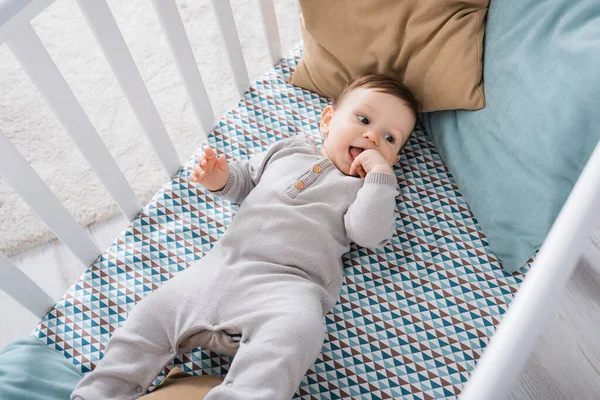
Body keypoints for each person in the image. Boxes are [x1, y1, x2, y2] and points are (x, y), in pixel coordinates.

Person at [71, 73, 420, 400]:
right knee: (149, 317)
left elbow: (368, 232)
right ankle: (102, 390)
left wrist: (379, 175)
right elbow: (246, 182)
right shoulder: (289, 149)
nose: (373, 136)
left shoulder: (368, 188)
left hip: (289, 286)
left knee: (300, 332)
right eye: (363, 120)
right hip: (220, 268)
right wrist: (219, 179)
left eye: (390, 138)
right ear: (328, 120)